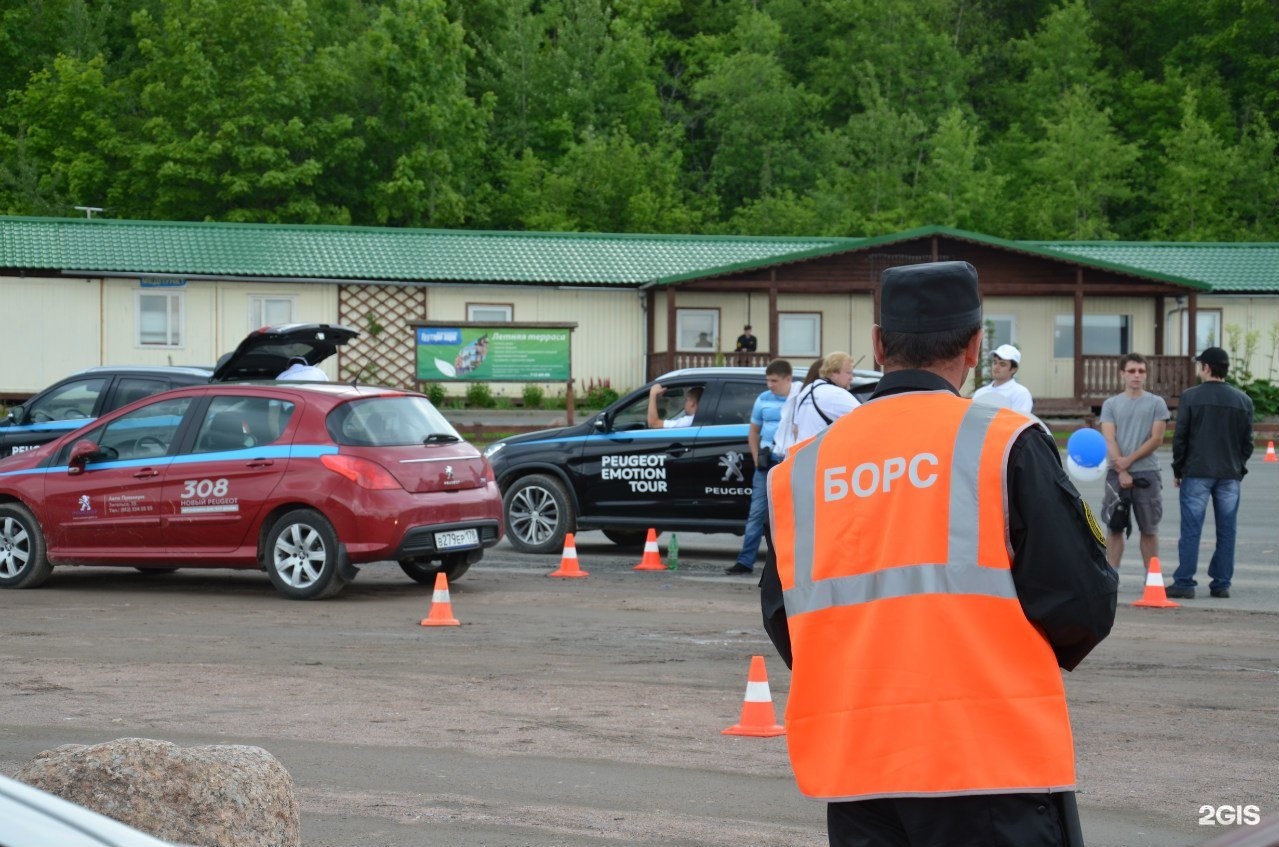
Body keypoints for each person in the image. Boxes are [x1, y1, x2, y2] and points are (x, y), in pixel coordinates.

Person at [763, 260, 1116, 847]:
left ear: (878, 345)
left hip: (859, 768)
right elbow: (1082, 601)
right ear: (976, 346)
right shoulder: (1006, 442)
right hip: (989, 763)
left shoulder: (802, 469)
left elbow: (787, 620)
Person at [1169, 347, 1254, 599]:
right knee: (1227, 531)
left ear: (1206, 367)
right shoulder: (1243, 400)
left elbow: (1180, 437)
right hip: (1229, 473)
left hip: (1197, 471)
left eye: (1200, 365)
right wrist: (1239, 466)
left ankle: (1184, 581)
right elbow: (1247, 442)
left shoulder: (1191, 397)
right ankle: (1221, 582)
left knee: (1192, 529)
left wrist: (1178, 468)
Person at [1099, 353, 1170, 574]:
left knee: (1149, 528)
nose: (1136, 375)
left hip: (1147, 473)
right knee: (1114, 527)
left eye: (1141, 371)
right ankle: (1112, 578)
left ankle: (1152, 579)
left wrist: (1129, 461)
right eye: (1131, 371)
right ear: (1122, 374)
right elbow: (1109, 438)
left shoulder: (1156, 403)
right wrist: (1121, 470)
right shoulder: (1111, 404)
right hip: (1116, 474)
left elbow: (1156, 438)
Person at [725, 359, 792, 576]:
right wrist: (755, 457)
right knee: (756, 513)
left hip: (788, 462)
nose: (770, 385)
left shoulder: (797, 399)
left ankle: (787, 564)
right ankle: (745, 562)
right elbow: (754, 431)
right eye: (768, 380)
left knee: (789, 516)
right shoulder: (763, 399)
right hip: (765, 463)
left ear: (788, 379)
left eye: (774, 380)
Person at [790, 351, 859, 442]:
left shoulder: (806, 391)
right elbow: (866, 417)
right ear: (834, 372)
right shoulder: (836, 394)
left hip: (801, 453)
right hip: (823, 453)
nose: (851, 377)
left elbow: (796, 430)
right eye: (848, 372)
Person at [972, 343, 1033, 414]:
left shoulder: (1020, 393)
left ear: (1013, 369)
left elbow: (1020, 422)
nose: (996, 367)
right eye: (995, 362)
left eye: (1002, 364)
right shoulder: (980, 393)